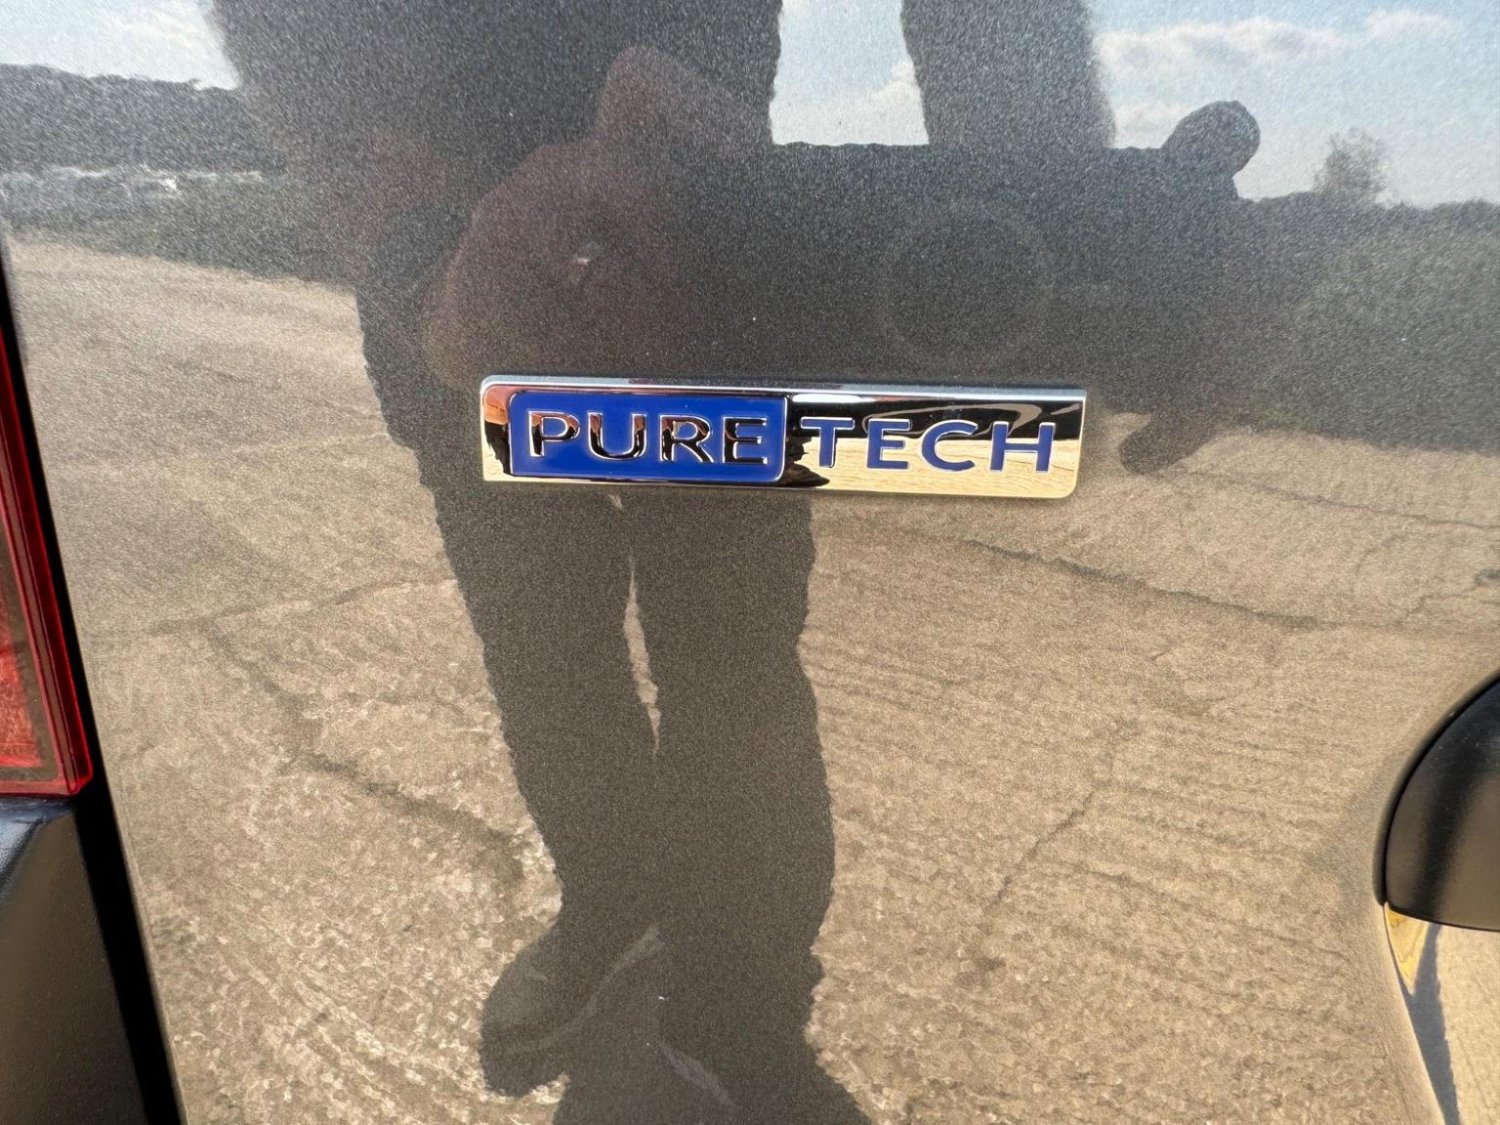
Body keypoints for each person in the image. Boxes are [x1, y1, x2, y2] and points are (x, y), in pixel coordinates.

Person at [209, 3, 1113, 1119]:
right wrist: (411, 256)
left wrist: (1078, 253)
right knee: (557, 657)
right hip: (481, 298)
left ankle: (740, 1010)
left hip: (705, 284)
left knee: (726, 675)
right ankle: (621, 913)